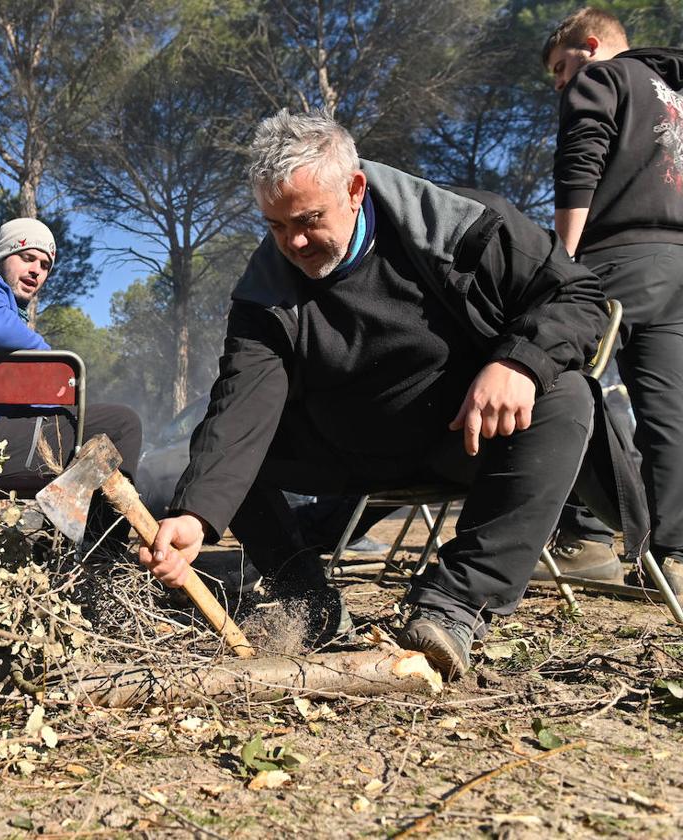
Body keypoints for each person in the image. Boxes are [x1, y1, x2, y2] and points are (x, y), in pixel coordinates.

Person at [138, 109, 607, 680]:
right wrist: (195, 515)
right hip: (346, 447)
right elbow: (241, 404)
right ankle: (309, 605)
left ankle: (453, 607)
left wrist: (518, 362)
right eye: (276, 226)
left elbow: (577, 296)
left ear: (355, 189)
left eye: (309, 219)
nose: (296, 242)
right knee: (221, 447)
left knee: (567, 396)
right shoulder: (265, 293)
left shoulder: (460, 225)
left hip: (465, 433)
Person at [539, 8, 683, 590]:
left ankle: (585, 536)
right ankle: (673, 559)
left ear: (591, 46)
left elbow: (580, 163)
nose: (558, 83)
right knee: (669, 412)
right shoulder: (674, 95)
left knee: (559, 378)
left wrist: (562, 266)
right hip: (677, 265)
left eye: (558, 67)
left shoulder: (602, 77)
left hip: (615, 259)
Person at [0, 217, 142, 547]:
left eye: (45, 265)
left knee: (97, 437)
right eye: (27, 257)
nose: (36, 271)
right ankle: (95, 553)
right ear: (1, 258)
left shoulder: (11, 317)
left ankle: (62, 533)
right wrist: (48, 358)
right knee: (122, 424)